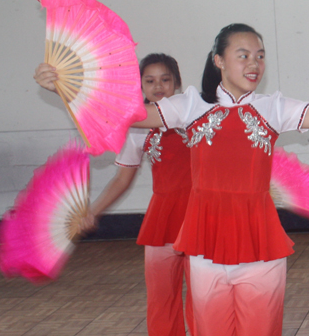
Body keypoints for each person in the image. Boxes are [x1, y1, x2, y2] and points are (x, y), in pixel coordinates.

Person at [36, 24, 309, 336]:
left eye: (261, 56)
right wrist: (66, 89)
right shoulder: (189, 105)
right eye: (243, 54)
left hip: (259, 242)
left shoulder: (273, 108)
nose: (254, 63)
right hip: (204, 242)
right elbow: (131, 115)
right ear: (219, 60)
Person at [34, 53, 193, 336]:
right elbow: (122, 178)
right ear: (140, 86)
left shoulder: (191, 112)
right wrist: (92, 211)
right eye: (150, 80)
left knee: (203, 296)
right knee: (161, 297)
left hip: (200, 216)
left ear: (178, 84)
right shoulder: (134, 129)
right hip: (163, 220)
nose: (158, 86)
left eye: (165, 79)